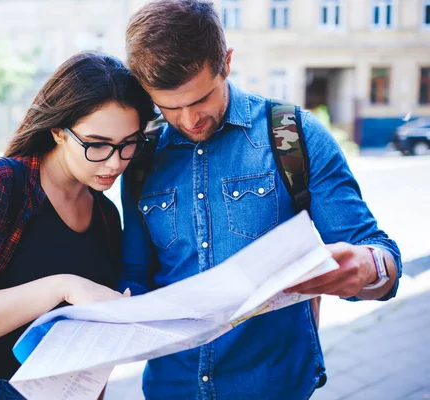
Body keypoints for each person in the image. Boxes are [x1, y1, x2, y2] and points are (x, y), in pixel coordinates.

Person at [119, 1, 402, 399]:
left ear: (227, 62)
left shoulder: (291, 134)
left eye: (200, 99)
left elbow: (379, 254)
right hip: (171, 387)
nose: (188, 121)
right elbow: (135, 271)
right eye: (169, 107)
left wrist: (369, 268)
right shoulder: (141, 157)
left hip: (274, 385)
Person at [0, 52, 156, 399]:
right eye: (97, 145)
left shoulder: (104, 214)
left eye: (128, 143)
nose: (115, 162)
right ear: (58, 131)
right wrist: (62, 287)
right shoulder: (1, 183)